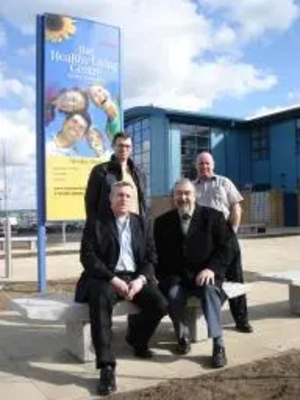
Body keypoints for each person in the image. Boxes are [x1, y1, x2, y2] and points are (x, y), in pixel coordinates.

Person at [75, 181, 168, 396]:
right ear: (110, 198)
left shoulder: (142, 223)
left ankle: (137, 339)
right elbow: (87, 257)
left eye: (127, 195)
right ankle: (107, 366)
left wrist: (141, 280)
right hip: (103, 278)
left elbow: (151, 257)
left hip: (134, 277)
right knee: (100, 301)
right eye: (119, 195)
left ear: (133, 199)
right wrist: (113, 279)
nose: (123, 199)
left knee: (160, 304)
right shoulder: (96, 222)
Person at [154, 178, 232, 368]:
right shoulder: (162, 222)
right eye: (179, 193)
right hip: (177, 278)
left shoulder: (214, 217)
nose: (183, 197)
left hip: (207, 275)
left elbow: (227, 248)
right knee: (172, 294)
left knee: (209, 291)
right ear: (174, 197)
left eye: (187, 193)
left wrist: (211, 268)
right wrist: (167, 279)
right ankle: (182, 336)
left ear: (195, 195)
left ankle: (218, 345)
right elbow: (157, 256)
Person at [194, 151, 253, 333]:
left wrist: (232, 231)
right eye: (201, 163)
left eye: (207, 163)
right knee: (210, 276)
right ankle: (206, 315)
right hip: (204, 241)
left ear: (213, 165)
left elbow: (236, 207)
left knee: (236, 278)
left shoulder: (224, 182)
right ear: (196, 166)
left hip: (226, 236)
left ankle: (242, 320)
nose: (204, 166)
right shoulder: (192, 187)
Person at [85, 132, 146, 219]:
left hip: (134, 227)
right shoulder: (100, 171)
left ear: (131, 148)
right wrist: (94, 227)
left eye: (127, 146)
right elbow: (91, 202)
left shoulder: (139, 173)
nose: (124, 149)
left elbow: (142, 202)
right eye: (120, 145)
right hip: (109, 227)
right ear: (113, 146)